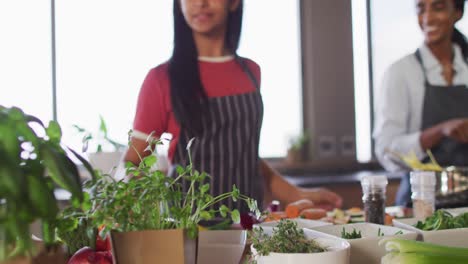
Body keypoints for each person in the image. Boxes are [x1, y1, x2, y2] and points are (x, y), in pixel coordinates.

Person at [124, 0, 342, 212]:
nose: (200, 3)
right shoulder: (161, 79)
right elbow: (133, 163)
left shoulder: (251, 72)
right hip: (189, 234)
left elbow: (244, 154)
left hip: (250, 229)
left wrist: (297, 195)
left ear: (234, 2)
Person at [374, 0, 468, 206]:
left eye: (438, 7)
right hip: (419, 206)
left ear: (458, 13)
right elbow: (386, 150)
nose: (428, 17)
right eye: (421, 8)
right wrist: (440, 131)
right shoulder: (401, 72)